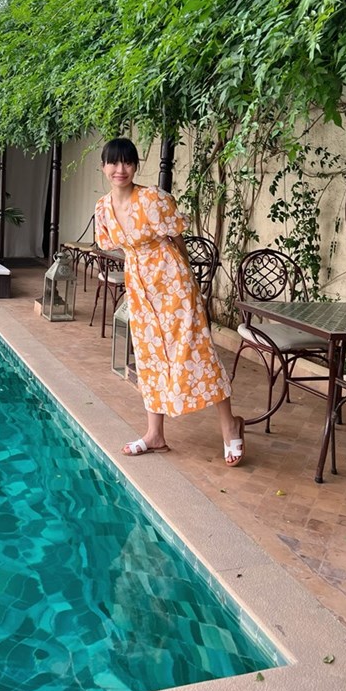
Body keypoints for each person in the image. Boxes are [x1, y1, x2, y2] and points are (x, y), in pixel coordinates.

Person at [94, 137, 245, 466]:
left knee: (197, 353)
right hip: (140, 288)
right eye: (113, 162)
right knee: (149, 356)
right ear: (103, 166)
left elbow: (177, 238)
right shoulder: (103, 207)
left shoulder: (152, 198)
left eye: (127, 162)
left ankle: (230, 426)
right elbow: (111, 244)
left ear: (135, 166)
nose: (120, 169)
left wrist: (187, 282)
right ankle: (155, 435)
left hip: (173, 284)